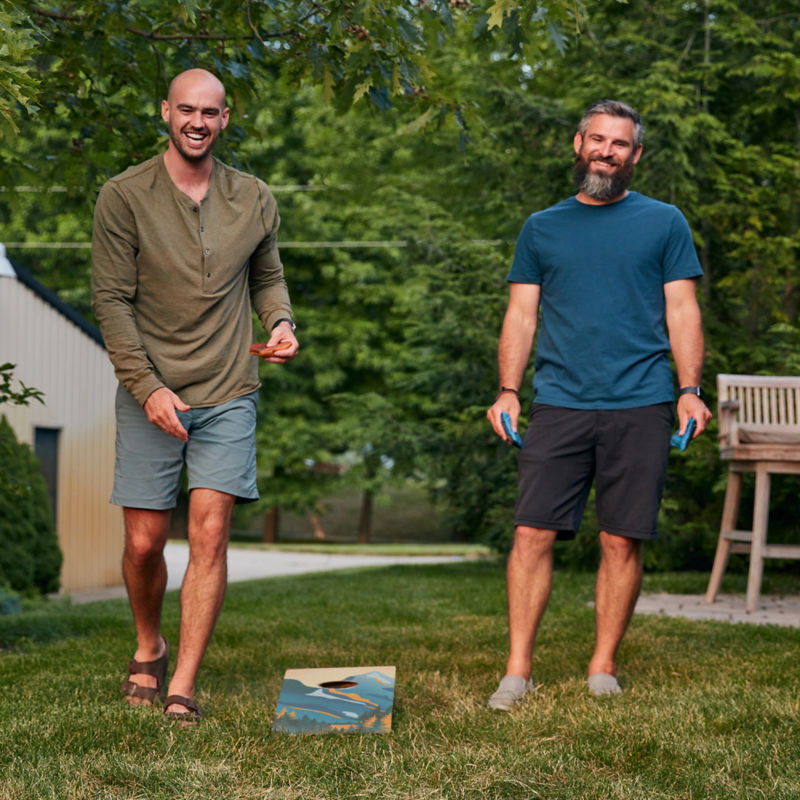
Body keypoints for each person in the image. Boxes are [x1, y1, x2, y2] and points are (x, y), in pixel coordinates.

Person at [485, 100, 712, 710]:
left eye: (620, 144)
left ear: (635, 155)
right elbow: (521, 314)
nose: (606, 152)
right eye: (597, 140)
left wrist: (690, 391)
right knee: (531, 533)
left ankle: (603, 666)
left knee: (621, 538)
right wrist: (509, 388)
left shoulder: (665, 223)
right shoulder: (542, 228)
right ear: (578, 144)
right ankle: (516, 671)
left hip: (642, 401)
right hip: (559, 401)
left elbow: (682, 310)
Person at [91, 68, 298, 723]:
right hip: (150, 387)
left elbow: (267, 276)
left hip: (229, 387)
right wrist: (148, 388)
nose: (197, 122)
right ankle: (149, 644)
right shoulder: (124, 196)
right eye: (187, 110)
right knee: (146, 544)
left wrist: (282, 322)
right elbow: (112, 302)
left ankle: (182, 683)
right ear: (166, 113)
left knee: (209, 534)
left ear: (225, 118)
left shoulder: (254, 197)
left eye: (210, 112)